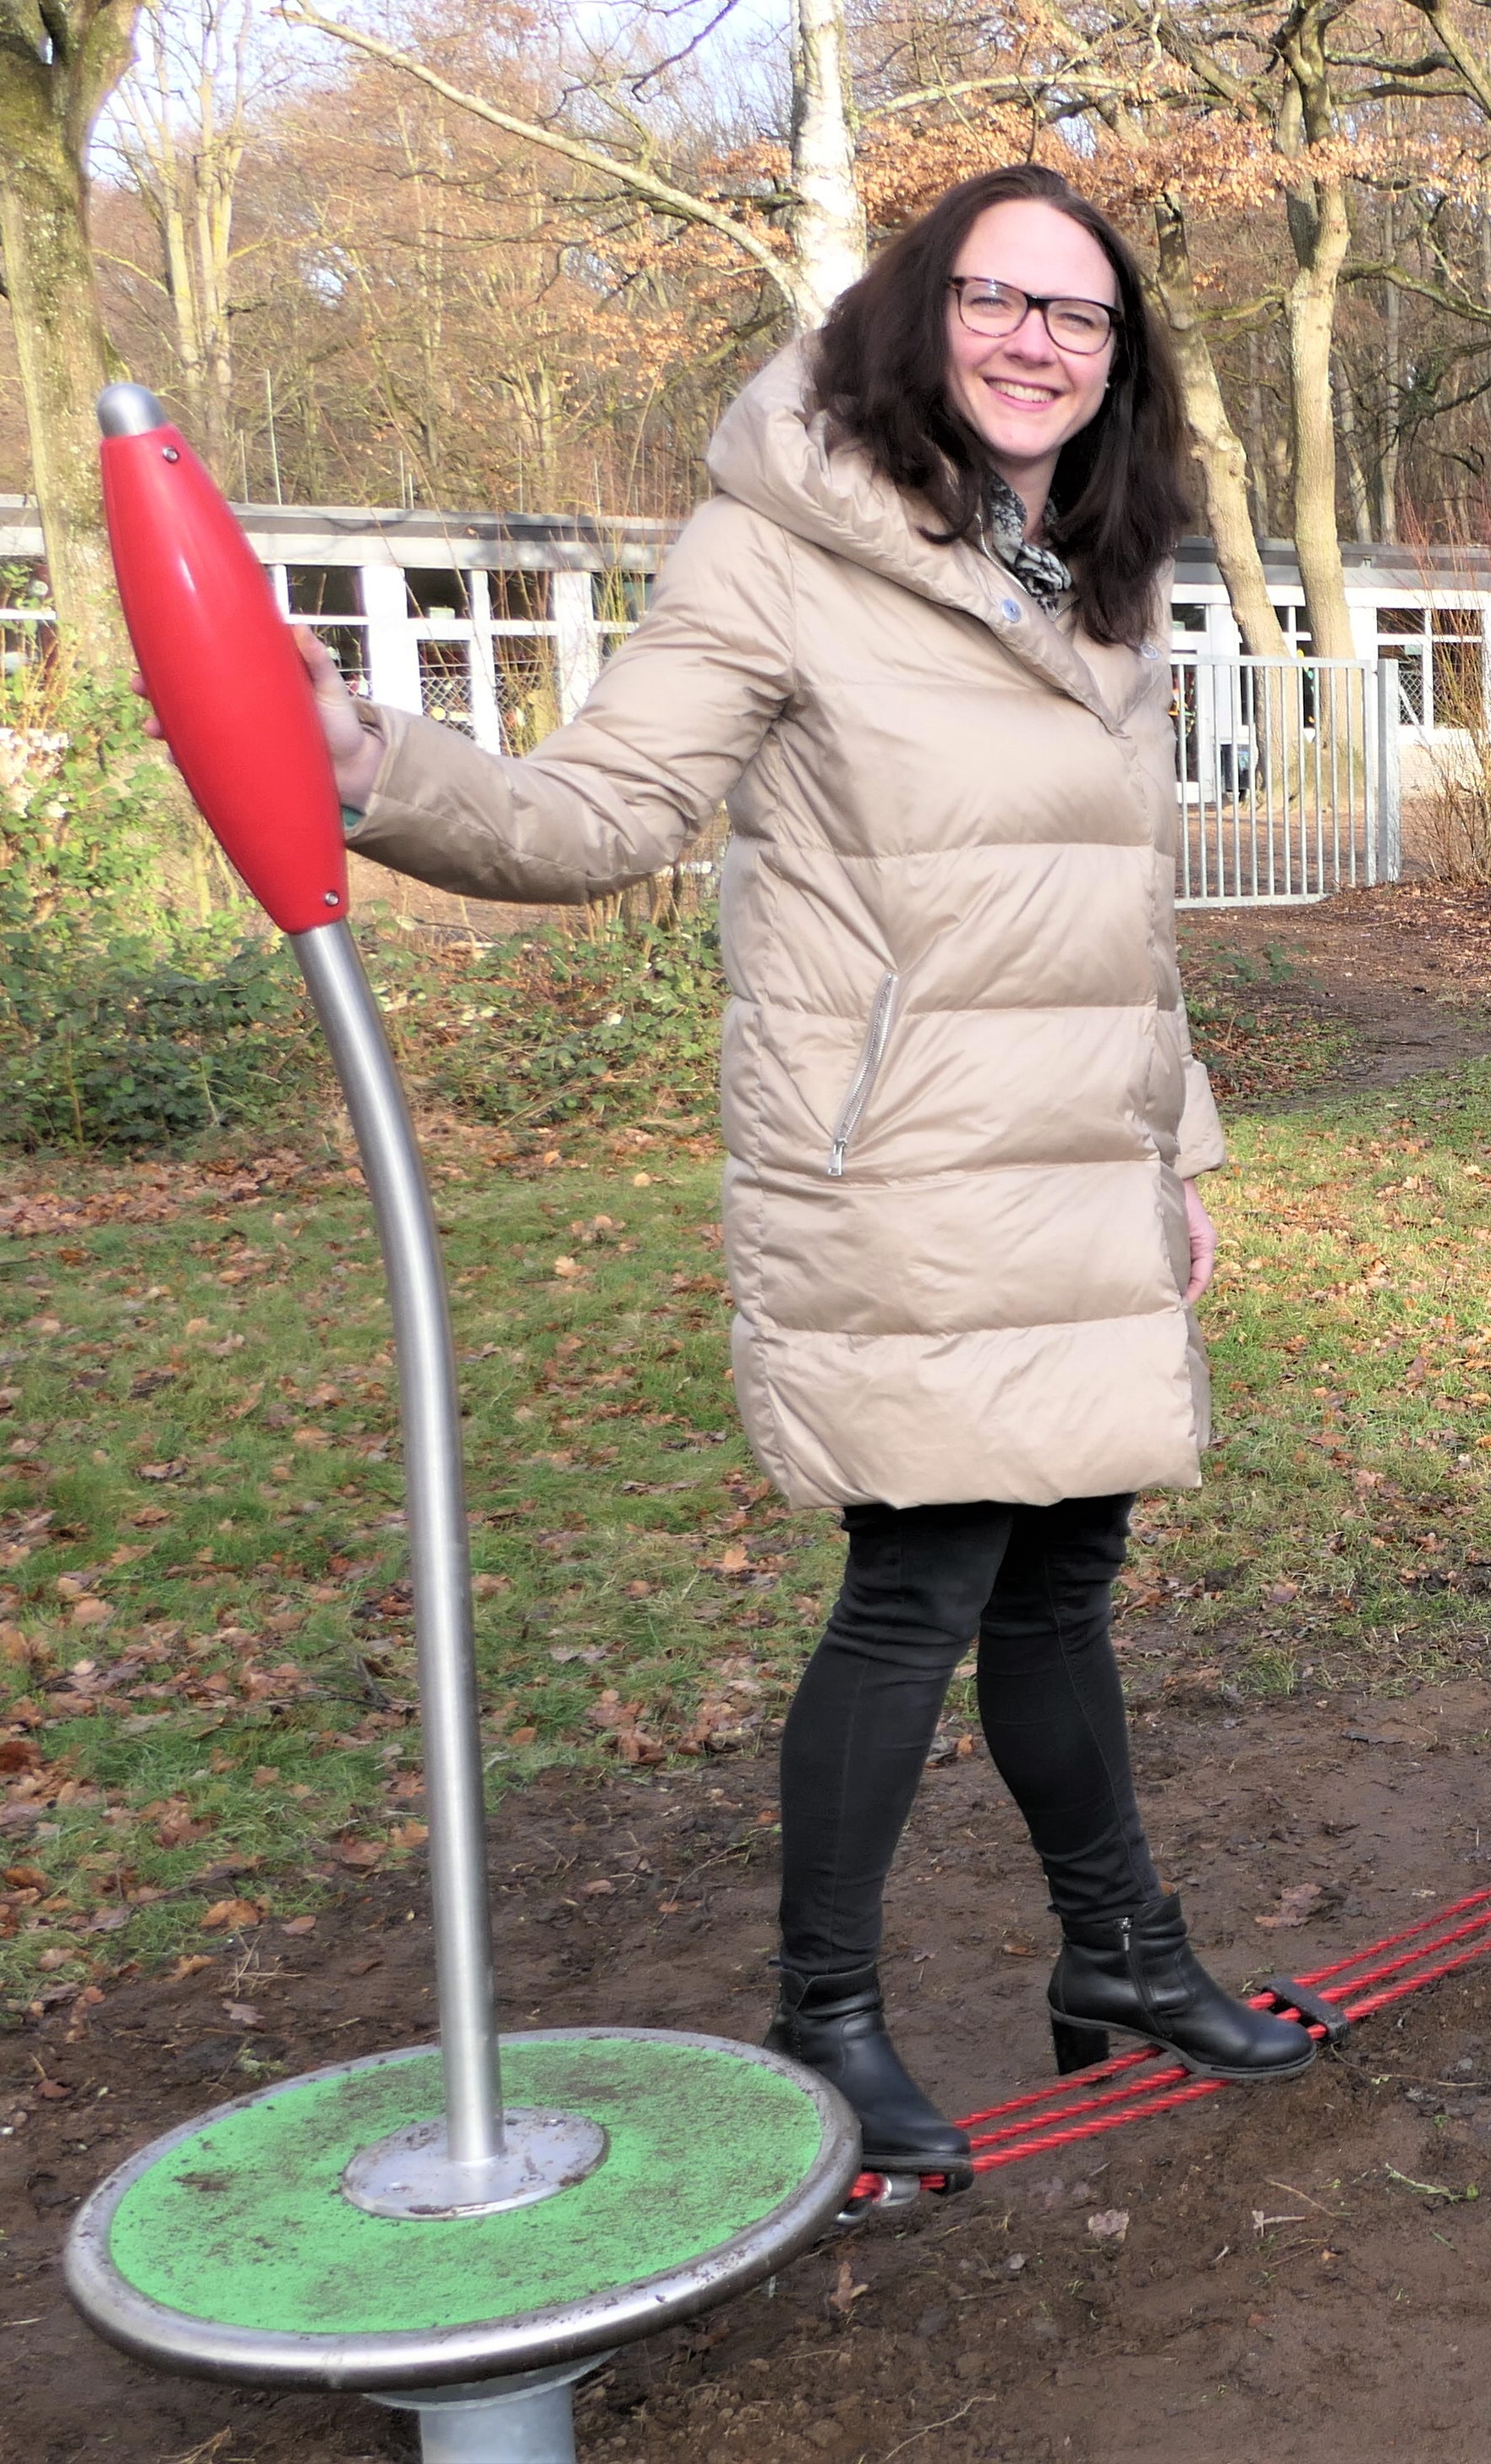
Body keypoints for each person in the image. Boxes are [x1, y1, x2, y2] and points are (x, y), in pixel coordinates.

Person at [293, 163, 1316, 2184]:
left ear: (1119, 364)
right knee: (917, 1587)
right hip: (906, 1172)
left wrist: (1174, 1149)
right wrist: (370, 768)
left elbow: (1119, 915)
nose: (1039, 341)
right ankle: (824, 2020)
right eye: (999, 300)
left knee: (1065, 1586)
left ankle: (1118, 1951)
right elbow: (602, 809)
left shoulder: (1082, 567)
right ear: (918, 314)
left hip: (1076, 1169)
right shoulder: (775, 551)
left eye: (1081, 316)